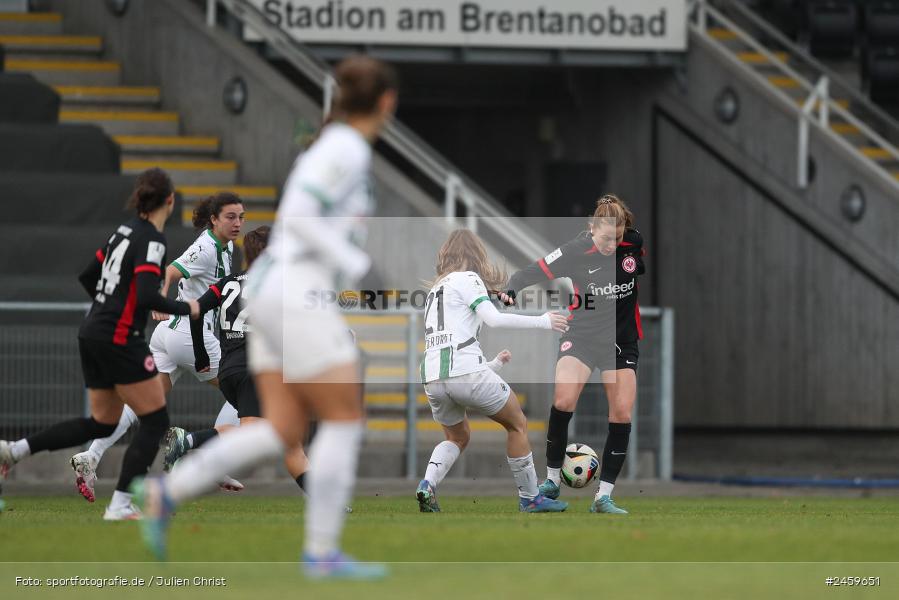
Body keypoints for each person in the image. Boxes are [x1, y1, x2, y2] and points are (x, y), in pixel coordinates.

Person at [134, 55, 398, 580]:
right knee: (346, 414)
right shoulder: (345, 147)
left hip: (272, 294)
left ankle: (167, 492)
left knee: (281, 429)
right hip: (294, 294)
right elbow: (298, 218)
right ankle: (321, 551)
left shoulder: (338, 144)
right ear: (387, 103)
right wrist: (359, 266)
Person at [0, 169, 200, 520]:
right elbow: (146, 296)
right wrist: (188, 307)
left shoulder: (122, 231)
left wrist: (109, 304)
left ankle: (12, 451)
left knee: (102, 423)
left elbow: (87, 276)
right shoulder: (153, 239)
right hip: (118, 336)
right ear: (170, 200)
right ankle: (121, 504)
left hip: (92, 330)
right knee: (155, 421)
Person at [69, 193, 246, 502]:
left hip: (168, 336)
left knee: (143, 403)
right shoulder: (205, 248)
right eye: (230, 217)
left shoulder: (227, 247)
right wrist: (159, 299)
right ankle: (215, 462)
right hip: (189, 335)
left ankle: (92, 456)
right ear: (214, 219)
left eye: (241, 217)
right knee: (245, 389)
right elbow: (170, 271)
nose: (237, 223)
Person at [501, 194, 645, 514]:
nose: (612, 244)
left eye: (617, 238)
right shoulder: (574, 251)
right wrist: (512, 289)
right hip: (581, 336)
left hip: (621, 341)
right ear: (591, 228)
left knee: (621, 414)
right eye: (606, 238)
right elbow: (533, 270)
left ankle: (603, 497)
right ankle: (552, 480)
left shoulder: (634, 244)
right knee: (564, 401)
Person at [416, 230, 570, 513]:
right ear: (476, 255)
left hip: (433, 376)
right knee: (517, 423)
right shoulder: (468, 278)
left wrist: (492, 365)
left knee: (457, 437)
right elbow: (495, 320)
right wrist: (543, 321)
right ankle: (529, 497)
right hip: (464, 372)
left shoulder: (435, 290)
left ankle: (427, 484)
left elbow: (451, 346)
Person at [163, 226, 310, 494]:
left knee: (290, 439)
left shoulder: (226, 283)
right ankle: (190, 440)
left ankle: (325, 500)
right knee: (252, 435)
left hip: (229, 369)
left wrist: (201, 354)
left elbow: (195, 310)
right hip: (255, 369)